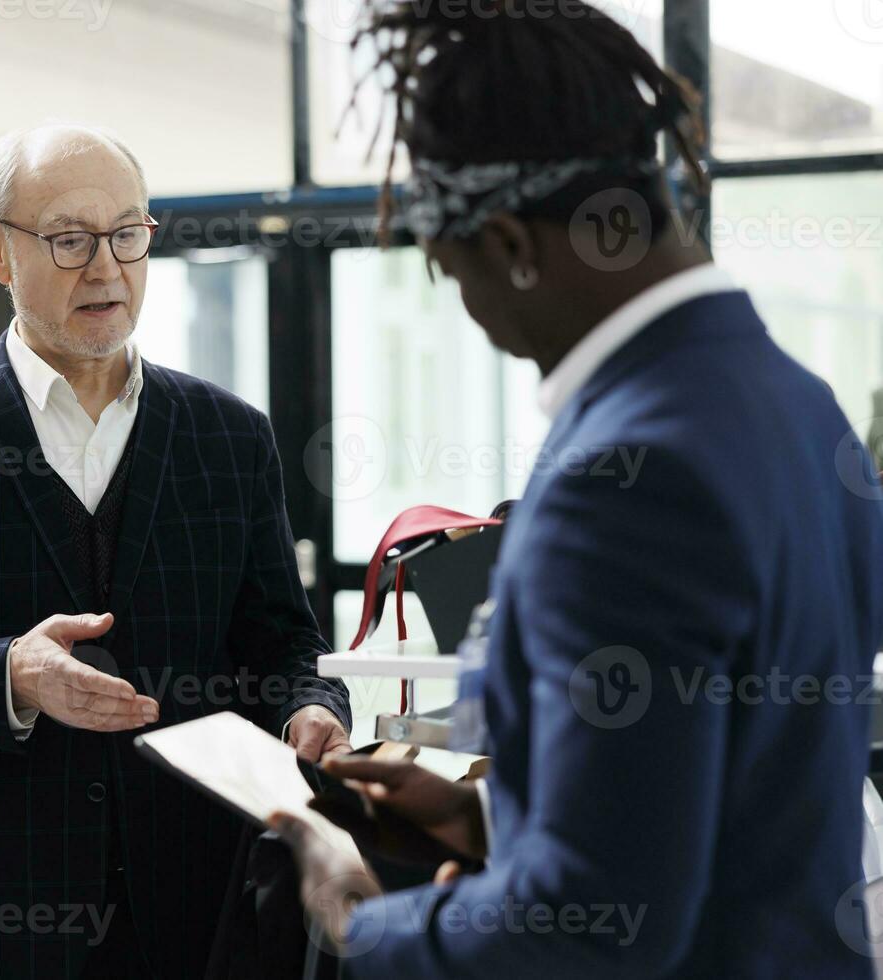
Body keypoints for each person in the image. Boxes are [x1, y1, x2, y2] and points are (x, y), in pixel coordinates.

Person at [270, 2, 883, 977]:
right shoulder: (801, 408)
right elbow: (723, 786)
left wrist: (357, 916)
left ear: (511, 241)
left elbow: (592, 925)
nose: (468, 310)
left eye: (450, 267)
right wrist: (484, 811)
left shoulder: (624, 481)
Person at [0, 123, 353, 979]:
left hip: (204, 920)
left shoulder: (229, 437)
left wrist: (311, 710)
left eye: (128, 234)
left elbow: (284, 645)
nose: (106, 267)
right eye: (68, 240)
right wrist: (9, 675)